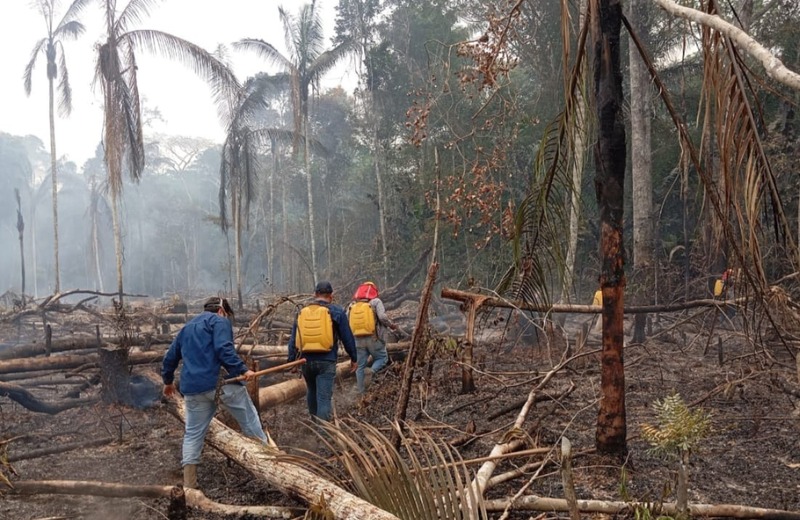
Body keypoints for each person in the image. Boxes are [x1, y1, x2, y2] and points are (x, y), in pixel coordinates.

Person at [161, 296, 270, 489]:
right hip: (220, 384)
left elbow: (170, 357)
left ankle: (189, 485)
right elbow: (223, 349)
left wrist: (168, 382)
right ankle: (271, 467)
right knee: (250, 421)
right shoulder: (220, 321)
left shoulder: (186, 328)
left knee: (193, 434)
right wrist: (243, 369)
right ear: (222, 311)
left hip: (192, 389)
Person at [287, 281, 357, 422]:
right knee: (324, 397)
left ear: (315, 295)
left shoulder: (302, 312)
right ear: (331, 296)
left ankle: (315, 426)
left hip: (305, 361)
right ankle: (323, 435)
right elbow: (347, 337)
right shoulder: (336, 311)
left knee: (312, 392)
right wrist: (354, 357)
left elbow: (293, 339)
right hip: (326, 361)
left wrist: (292, 361)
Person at [347, 281, 398, 394]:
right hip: (374, 338)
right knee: (382, 358)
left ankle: (361, 391)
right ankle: (371, 371)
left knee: (360, 366)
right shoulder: (375, 302)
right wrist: (391, 325)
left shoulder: (352, 305)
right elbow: (382, 317)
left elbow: (347, 320)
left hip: (357, 340)